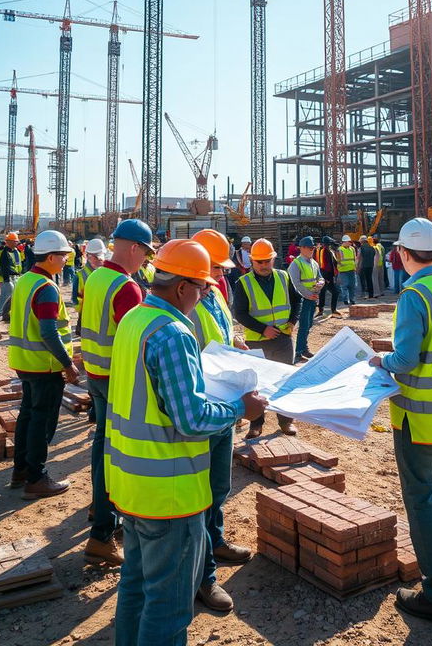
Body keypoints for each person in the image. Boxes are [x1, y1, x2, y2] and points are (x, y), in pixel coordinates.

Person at [107, 239, 267, 646]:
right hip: (170, 492)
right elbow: (192, 419)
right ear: (181, 287)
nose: (204, 294)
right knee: (169, 604)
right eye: (201, 287)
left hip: (131, 482)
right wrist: (239, 410)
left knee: (137, 588)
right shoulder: (173, 333)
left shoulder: (135, 319)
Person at [370, 217, 432, 631]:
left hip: (418, 412)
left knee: (422, 497)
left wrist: (380, 361)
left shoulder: (414, 294)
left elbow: (407, 359)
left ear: (403, 254)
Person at [81, 218, 152, 566]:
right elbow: (133, 341)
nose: (145, 262)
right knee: (117, 453)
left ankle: (99, 504)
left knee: (101, 442)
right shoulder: (126, 287)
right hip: (115, 378)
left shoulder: (95, 276)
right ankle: (103, 535)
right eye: (146, 254)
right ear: (135, 248)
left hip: (95, 372)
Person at [190, 229, 251, 613]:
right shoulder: (186, 304)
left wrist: (237, 344)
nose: (219, 274)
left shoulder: (213, 294)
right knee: (200, 494)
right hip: (203, 408)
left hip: (224, 403)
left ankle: (217, 542)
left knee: (219, 486)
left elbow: (221, 336)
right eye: (213, 267)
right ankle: (203, 576)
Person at [8, 230, 79, 498]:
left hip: (24, 363)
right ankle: (36, 477)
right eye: (63, 256)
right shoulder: (46, 288)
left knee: (28, 415)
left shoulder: (26, 280)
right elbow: (49, 332)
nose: (65, 261)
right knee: (42, 421)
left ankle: (21, 469)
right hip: (44, 365)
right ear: (50, 257)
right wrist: (68, 363)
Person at [232, 237, 300, 439]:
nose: (263, 265)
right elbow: (240, 313)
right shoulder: (243, 283)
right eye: (259, 261)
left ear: (273, 259)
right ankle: (256, 424)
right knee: (256, 385)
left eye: (267, 261)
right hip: (256, 341)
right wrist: (263, 329)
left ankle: (286, 422)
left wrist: (292, 321)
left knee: (284, 380)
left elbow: (296, 301)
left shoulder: (283, 277)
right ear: (252, 261)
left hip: (282, 340)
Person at [288, 235, 325, 363]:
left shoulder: (314, 263)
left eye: (313, 248)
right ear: (302, 248)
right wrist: (308, 294)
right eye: (310, 248)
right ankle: (298, 352)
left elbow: (320, 277)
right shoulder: (296, 264)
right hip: (303, 299)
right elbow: (295, 284)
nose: (312, 250)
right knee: (303, 325)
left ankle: (304, 348)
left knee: (309, 324)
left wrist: (321, 283)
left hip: (312, 298)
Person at [72, 237, 107, 335]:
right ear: (87, 256)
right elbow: (75, 299)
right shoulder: (80, 275)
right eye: (96, 257)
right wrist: (85, 313)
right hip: (86, 316)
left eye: (101, 256)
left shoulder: (107, 273)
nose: (99, 260)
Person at [0, 231, 22, 319]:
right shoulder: (4, 253)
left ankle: (6, 313)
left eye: (16, 241)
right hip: (5, 278)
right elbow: (4, 268)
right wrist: (7, 280)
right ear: (8, 242)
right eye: (15, 241)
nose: (16, 243)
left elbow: (18, 264)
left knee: (12, 295)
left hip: (14, 277)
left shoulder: (15, 251)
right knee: (5, 295)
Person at [314, 236, 340, 317]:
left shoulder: (326, 251)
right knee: (334, 292)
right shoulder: (325, 251)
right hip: (326, 276)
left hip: (325, 276)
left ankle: (321, 310)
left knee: (323, 293)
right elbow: (325, 265)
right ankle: (332, 310)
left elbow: (333, 263)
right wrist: (326, 278)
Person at [336, 235, 357, 306]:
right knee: (344, 286)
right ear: (344, 242)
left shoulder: (352, 249)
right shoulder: (339, 250)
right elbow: (338, 261)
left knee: (352, 286)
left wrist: (355, 266)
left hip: (352, 270)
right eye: (349, 241)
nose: (350, 243)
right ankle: (345, 300)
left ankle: (352, 299)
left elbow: (355, 258)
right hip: (343, 271)